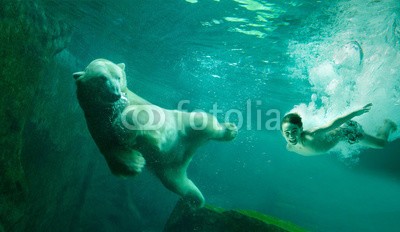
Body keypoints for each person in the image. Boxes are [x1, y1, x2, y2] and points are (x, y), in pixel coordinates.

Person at [281, 103, 397, 156]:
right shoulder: (289, 147)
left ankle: (388, 124)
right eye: (287, 133)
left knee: (381, 144)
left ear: (301, 129)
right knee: (373, 141)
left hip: (347, 131)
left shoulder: (311, 135)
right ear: (282, 133)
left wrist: (356, 113)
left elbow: (333, 124)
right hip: (341, 136)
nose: (291, 136)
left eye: (294, 131)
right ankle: (378, 128)